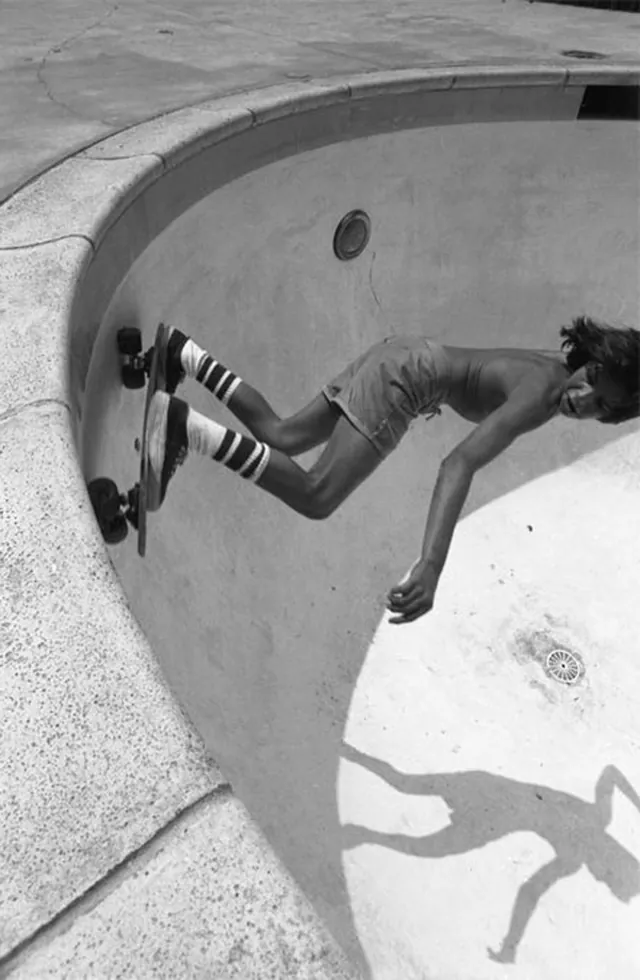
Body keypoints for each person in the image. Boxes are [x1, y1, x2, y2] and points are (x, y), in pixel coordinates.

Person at [145, 315, 639, 625]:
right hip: (405, 380)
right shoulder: (542, 395)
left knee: (283, 435)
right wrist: (431, 565)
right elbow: (459, 463)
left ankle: (182, 354)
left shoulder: (555, 367)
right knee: (318, 496)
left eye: (601, 405)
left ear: (613, 416)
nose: (582, 399)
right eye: (591, 379)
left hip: (401, 352)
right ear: (591, 359)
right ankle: (183, 426)